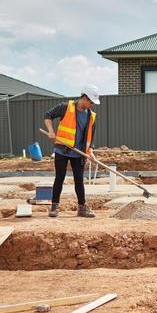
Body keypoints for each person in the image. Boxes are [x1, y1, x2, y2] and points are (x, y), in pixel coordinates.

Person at [43, 84, 100, 218]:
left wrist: (90, 151)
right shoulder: (65, 107)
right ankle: (54, 207)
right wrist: (51, 131)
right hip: (62, 149)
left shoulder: (91, 116)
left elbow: (91, 137)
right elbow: (48, 115)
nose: (92, 104)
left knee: (79, 180)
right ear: (84, 98)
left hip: (78, 153)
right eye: (91, 101)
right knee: (60, 178)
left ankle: (81, 208)